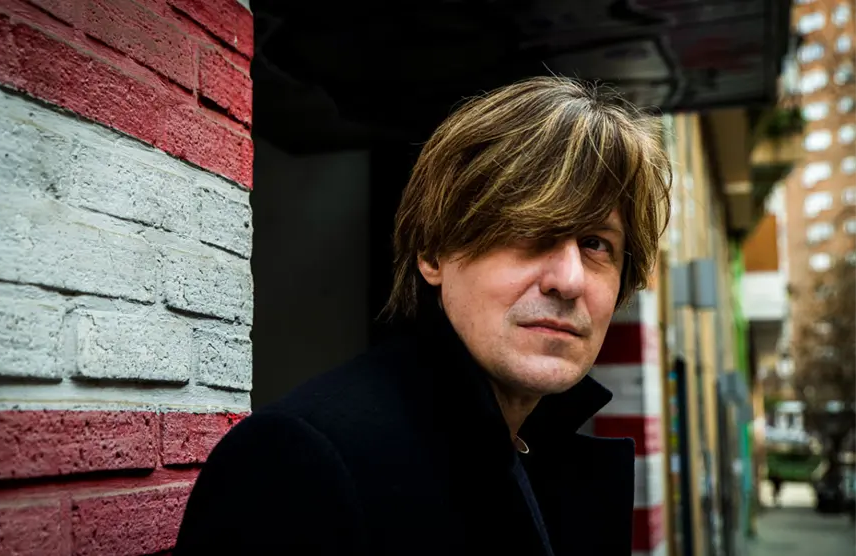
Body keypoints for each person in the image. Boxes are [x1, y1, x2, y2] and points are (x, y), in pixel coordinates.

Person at [174, 76, 671, 555]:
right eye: (530, 230)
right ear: (434, 254)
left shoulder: (546, 455)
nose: (569, 279)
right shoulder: (295, 464)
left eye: (595, 243)